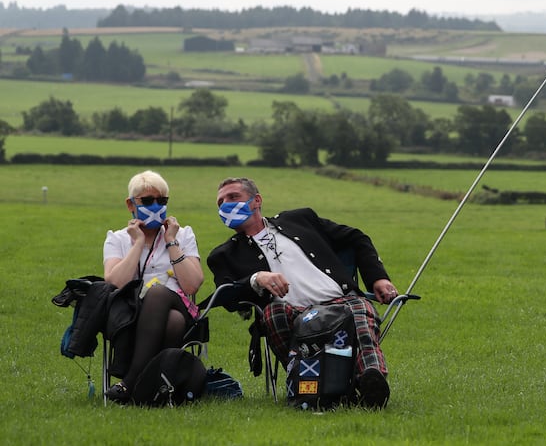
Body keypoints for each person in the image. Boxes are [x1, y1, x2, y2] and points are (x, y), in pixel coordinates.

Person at [207, 177, 399, 409]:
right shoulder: (224, 255)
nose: (226, 204)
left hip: (341, 301)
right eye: (220, 202)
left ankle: (371, 381)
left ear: (256, 200)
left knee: (358, 307)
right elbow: (226, 297)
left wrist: (378, 278)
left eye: (233, 197)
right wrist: (256, 279)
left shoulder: (299, 219)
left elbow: (356, 238)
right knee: (272, 313)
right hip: (293, 313)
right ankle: (306, 383)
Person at [103, 170, 204, 404]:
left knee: (159, 293)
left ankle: (130, 381)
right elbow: (116, 284)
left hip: (178, 302)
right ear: (130, 204)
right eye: (147, 201)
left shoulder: (183, 235)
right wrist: (137, 243)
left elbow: (192, 284)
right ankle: (151, 390)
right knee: (172, 322)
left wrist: (171, 241)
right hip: (131, 311)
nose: (156, 206)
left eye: (162, 201)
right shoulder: (117, 239)